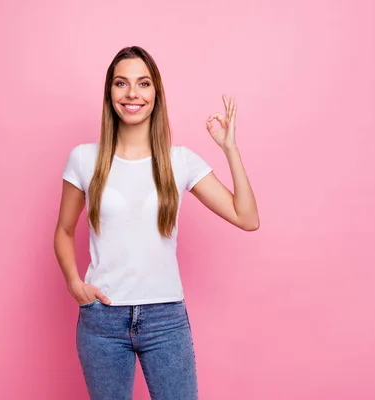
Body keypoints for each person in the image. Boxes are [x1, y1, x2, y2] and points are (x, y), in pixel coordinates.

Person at [53, 45, 259, 400]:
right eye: (122, 83)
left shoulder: (180, 162)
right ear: (110, 93)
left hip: (166, 320)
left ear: (156, 93)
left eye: (143, 83)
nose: (132, 93)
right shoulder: (84, 159)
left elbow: (247, 217)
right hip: (102, 320)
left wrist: (230, 149)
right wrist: (74, 282)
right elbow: (64, 230)